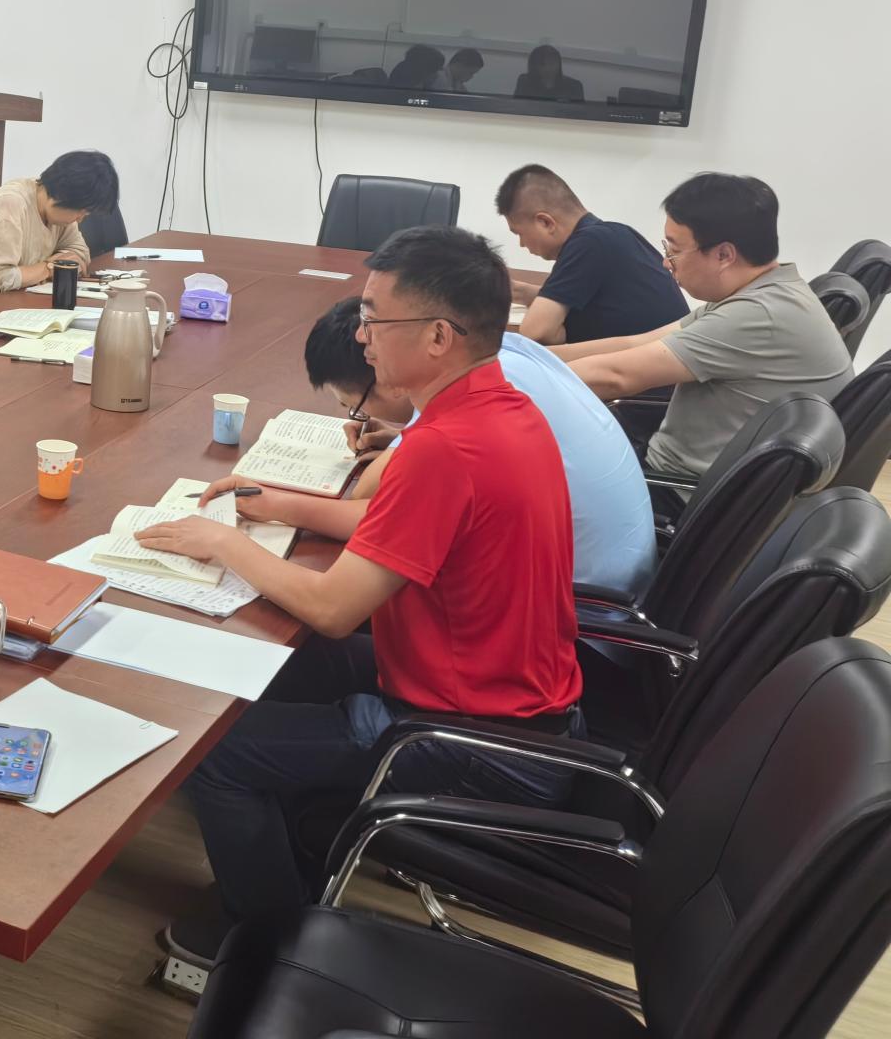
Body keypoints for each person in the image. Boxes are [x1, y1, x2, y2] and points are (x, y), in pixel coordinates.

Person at [132, 227, 582, 968]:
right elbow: (396, 527)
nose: (362, 335)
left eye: (374, 317)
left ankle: (268, 946)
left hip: (472, 739)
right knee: (279, 667)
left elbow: (336, 610)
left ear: (438, 336)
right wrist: (277, 503)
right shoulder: (500, 408)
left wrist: (225, 542)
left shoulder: (443, 448)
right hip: (509, 698)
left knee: (213, 753)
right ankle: (300, 852)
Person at [302, 296, 655, 600]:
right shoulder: (498, 350)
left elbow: (366, 498)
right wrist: (400, 436)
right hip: (622, 579)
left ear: (385, 371)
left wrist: (280, 505)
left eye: (355, 406)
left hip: (580, 608)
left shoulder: (466, 394)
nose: (362, 416)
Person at [559, 173, 852, 483]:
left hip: (672, 489)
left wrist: (524, 379)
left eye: (673, 250)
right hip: (691, 473)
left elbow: (616, 377)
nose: (666, 262)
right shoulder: (768, 291)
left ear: (723, 255)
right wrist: (532, 354)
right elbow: (635, 344)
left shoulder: (757, 315)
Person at [496, 164, 687, 345]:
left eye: (519, 233)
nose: (521, 244)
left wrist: (560, 333)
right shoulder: (614, 234)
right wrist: (520, 292)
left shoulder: (588, 244)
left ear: (545, 223)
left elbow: (535, 332)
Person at [0, 150, 119, 300]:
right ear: (62, 195)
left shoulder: (59, 214)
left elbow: (80, 254)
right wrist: (50, 268)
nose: (80, 220)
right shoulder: (10, 205)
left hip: (12, 304)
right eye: (81, 212)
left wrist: (46, 268)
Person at [514, 43, 584, 101]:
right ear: (534, 66)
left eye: (551, 63)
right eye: (542, 64)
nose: (548, 68)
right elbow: (517, 107)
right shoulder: (524, 82)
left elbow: (579, 111)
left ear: (559, 64)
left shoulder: (574, 86)